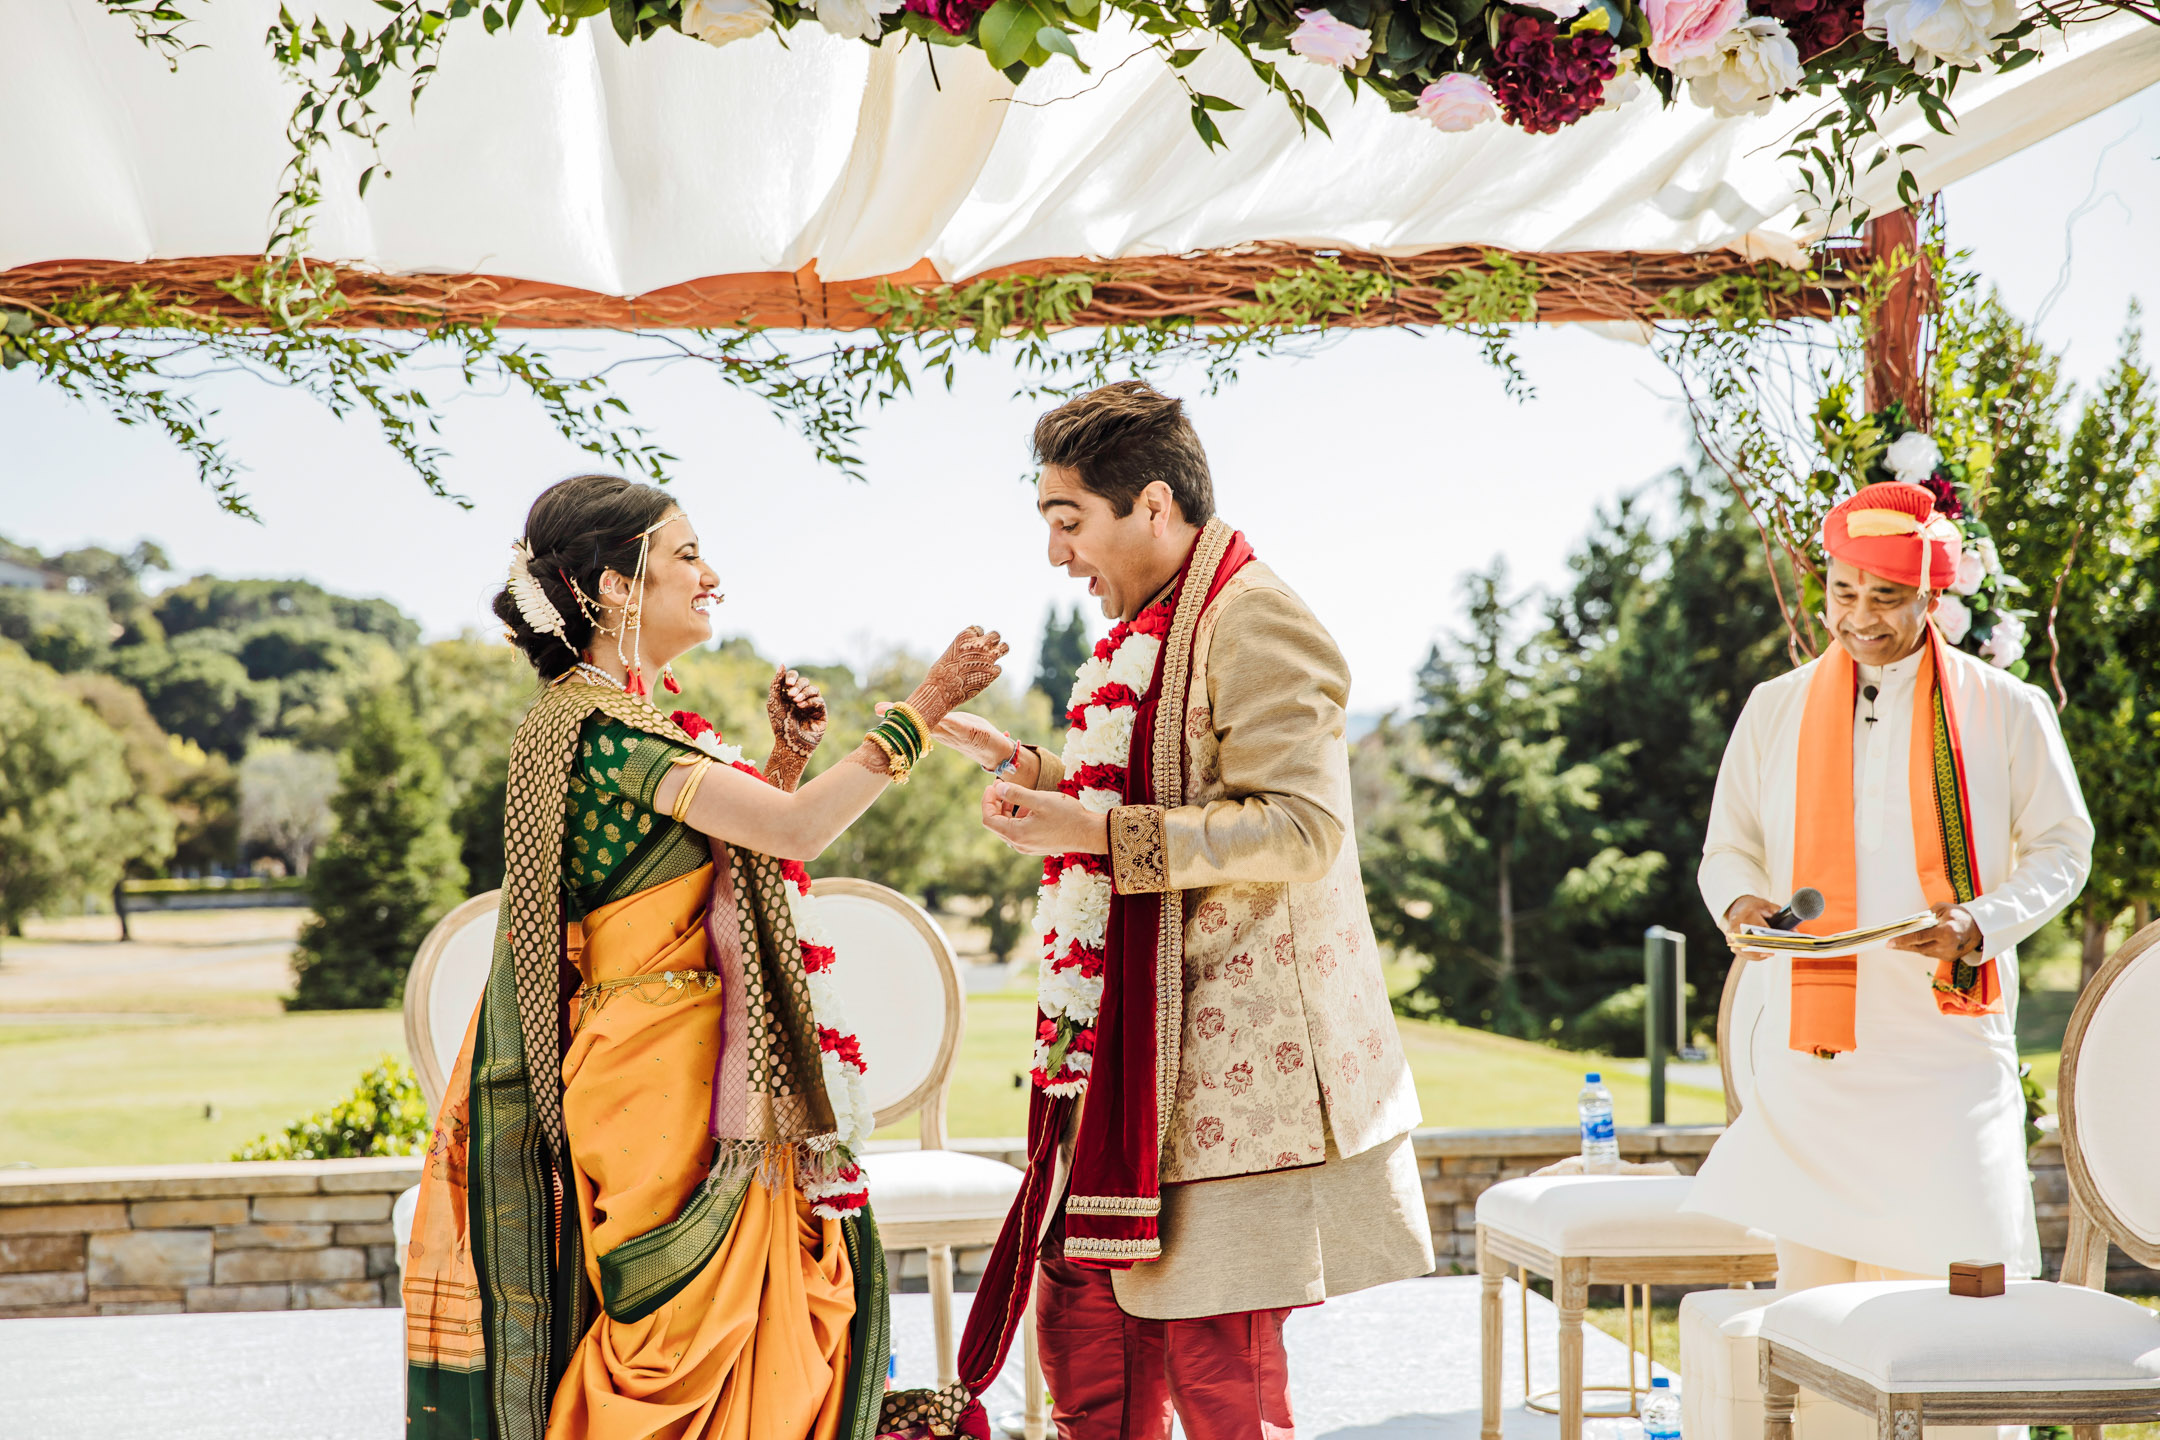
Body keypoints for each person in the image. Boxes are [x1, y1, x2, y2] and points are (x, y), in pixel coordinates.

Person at [401, 473, 1007, 1440]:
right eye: (686, 555)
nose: (711, 575)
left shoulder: (601, 723)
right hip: (658, 1081)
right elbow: (799, 835)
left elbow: (726, 857)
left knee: (721, 1331)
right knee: (678, 1339)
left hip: (680, 1066)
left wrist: (781, 766)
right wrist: (924, 707)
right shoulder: (610, 733)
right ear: (613, 587)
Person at [931, 383, 1433, 1440]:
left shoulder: (1256, 618)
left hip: (1232, 1079)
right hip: (1130, 1057)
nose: (1058, 557)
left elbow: (1302, 828)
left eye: (1070, 523)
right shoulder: (1160, 623)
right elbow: (1175, 788)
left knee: (1220, 1372)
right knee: (1087, 1341)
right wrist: (1040, 775)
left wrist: (1094, 836)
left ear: (1152, 505)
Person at [1684, 479, 2092, 1435]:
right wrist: (1742, 902)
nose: (1859, 618)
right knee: (1813, 1318)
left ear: (1932, 600)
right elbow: (1728, 846)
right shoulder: (1774, 706)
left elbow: (2062, 851)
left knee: (1947, 1317)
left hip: (1944, 1053)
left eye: (1885, 597)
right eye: (1842, 591)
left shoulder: (2008, 706)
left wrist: (1980, 923)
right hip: (1815, 1060)